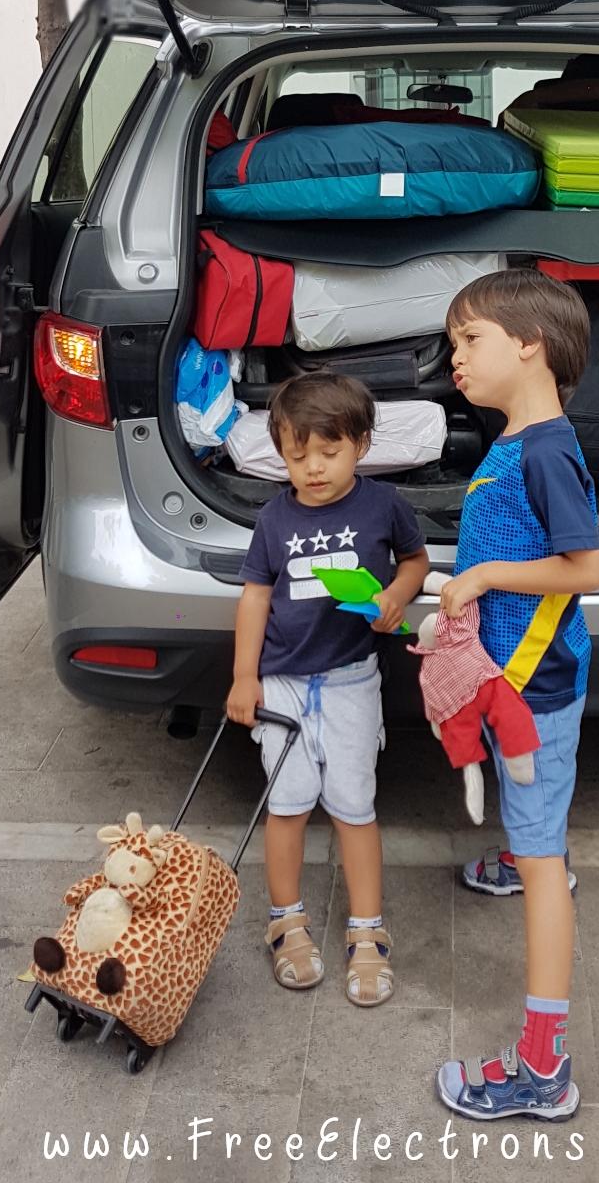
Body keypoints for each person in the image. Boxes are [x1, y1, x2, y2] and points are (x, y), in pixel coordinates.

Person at [435, 269, 599, 1121]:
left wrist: (486, 576)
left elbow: (589, 570)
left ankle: (542, 1068)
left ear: (528, 345)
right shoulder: (517, 439)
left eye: (470, 340)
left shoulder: (543, 450)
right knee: (529, 821)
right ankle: (523, 850)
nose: (453, 357)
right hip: (517, 679)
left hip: (531, 689)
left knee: (546, 862)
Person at [226, 370, 429, 1006]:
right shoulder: (273, 518)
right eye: (297, 455)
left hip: (350, 681)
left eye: (329, 452)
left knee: (353, 806)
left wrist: (398, 594)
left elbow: (416, 561)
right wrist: (244, 676)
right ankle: (285, 921)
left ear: (362, 445)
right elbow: (255, 598)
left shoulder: (383, 505)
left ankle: (366, 933)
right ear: (281, 453)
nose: (313, 468)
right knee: (286, 804)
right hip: (283, 684)